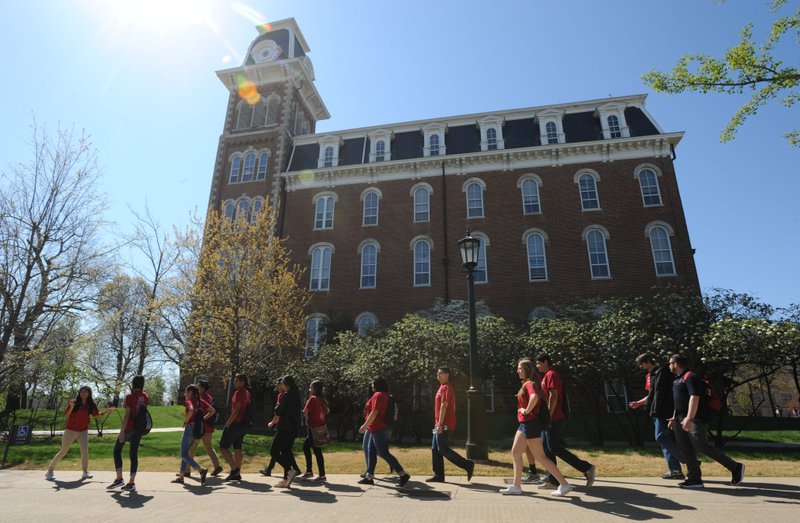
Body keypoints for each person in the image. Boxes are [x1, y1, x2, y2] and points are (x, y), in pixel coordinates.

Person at [668, 354, 745, 489]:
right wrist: (674, 418)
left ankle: (735, 467)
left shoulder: (691, 377)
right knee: (685, 449)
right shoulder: (677, 380)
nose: (669, 366)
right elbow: (678, 401)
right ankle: (694, 479)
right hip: (680, 419)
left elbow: (694, 397)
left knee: (701, 446)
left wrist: (689, 418)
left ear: (676, 364)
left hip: (696, 418)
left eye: (670, 363)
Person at [500, 358, 573, 496]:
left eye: (520, 368)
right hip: (525, 424)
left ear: (527, 370)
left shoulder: (530, 383)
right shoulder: (528, 383)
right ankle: (516, 486)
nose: (518, 371)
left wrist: (526, 410)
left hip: (530, 424)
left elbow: (534, 397)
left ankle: (564, 484)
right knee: (516, 453)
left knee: (540, 457)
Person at [535, 354, 596, 490]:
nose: (537, 366)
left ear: (545, 362)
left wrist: (549, 417)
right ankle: (552, 479)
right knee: (546, 448)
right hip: (552, 418)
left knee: (554, 448)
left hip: (555, 418)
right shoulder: (547, 376)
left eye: (539, 363)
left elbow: (554, 396)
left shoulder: (551, 374)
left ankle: (587, 467)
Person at [628, 353, 684, 480]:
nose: (641, 367)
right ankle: (675, 470)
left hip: (664, 411)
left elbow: (662, 394)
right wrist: (639, 403)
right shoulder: (650, 375)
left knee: (661, 437)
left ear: (648, 361)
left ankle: (687, 459)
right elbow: (651, 395)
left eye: (641, 364)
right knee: (666, 441)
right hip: (656, 411)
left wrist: (657, 410)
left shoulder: (663, 372)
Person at [45, 386, 114, 481]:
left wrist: (106, 411)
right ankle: (50, 471)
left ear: (89, 393)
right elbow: (66, 415)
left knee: (84, 451)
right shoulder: (74, 402)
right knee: (63, 451)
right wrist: (71, 407)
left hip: (83, 431)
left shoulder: (91, 404)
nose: (83, 393)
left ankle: (85, 472)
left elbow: (95, 415)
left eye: (85, 392)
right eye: (81, 392)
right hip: (70, 430)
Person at [358, 376, 411, 487]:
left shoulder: (378, 395)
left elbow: (375, 412)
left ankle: (403, 474)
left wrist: (364, 426)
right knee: (371, 452)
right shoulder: (386, 395)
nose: (371, 385)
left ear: (377, 384)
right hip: (378, 428)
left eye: (373, 383)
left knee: (383, 453)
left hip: (379, 428)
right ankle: (369, 477)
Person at [425, 367, 475, 483]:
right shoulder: (442, 387)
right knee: (435, 449)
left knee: (443, 449)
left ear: (446, 374)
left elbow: (444, 405)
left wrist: (440, 424)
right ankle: (438, 475)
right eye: (437, 373)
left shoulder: (446, 387)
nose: (437, 375)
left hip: (444, 424)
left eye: (440, 373)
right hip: (439, 423)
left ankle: (467, 464)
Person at [108, 375, 148, 492]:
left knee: (117, 450)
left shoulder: (130, 396)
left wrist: (121, 432)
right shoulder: (145, 396)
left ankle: (119, 478)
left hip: (129, 427)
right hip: (139, 429)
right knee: (133, 453)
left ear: (133, 383)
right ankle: (131, 482)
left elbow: (127, 415)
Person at [172, 385, 213, 485]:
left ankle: (201, 470)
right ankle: (181, 477)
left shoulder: (189, 401)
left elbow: (190, 410)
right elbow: (212, 411)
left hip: (190, 428)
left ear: (190, 392)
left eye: (186, 392)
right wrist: (201, 419)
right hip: (197, 430)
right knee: (185, 453)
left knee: (183, 454)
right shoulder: (200, 401)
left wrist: (185, 421)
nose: (185, 394)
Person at [183, 380, 223, 478]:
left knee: (191, 448)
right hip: (208, 427)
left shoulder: (200, 398)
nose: (197, 388)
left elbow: (195, 410)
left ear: (203, 388)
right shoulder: (209, 398)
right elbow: (212, 411)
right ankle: (217, 466)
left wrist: (202, 419)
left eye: (199, 386)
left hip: (200, 427)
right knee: (208, 447)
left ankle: (187, 471)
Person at [271, 375, 302, 488]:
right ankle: (285, 480)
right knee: (286, 452)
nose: (281, 386)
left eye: (282, 384)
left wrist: (277, 407)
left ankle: (290, 471)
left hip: (284, 427)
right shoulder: (296, 396)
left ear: (286, 385)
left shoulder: (286, 396)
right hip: (293, 428)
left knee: (274, 452)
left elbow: (279, 410)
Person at [220, 374, 251, 482]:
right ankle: (237, 473)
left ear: (242, 382)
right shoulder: (247, 393)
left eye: (236, 381)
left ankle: (234, 470)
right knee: (237, 447)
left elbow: (237, 409)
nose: (235, 383)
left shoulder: (239, 393)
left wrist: (228, 423)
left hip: (235, 424)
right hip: (243, 425)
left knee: (223, 446)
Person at [301, 380, 329, 481]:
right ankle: (312, 471)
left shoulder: (312, 399)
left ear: (315, 389)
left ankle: (318, 474)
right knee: (309, 448)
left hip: (313, 428)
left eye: (310, 387)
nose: (309, 389)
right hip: (320, 427)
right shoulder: (322, 399)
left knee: (315, 450)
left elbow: (305, 412)